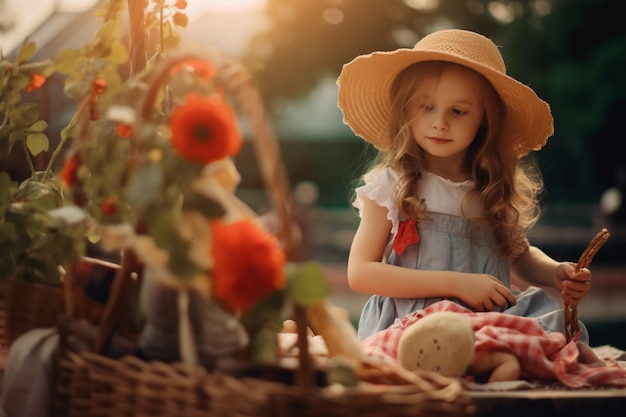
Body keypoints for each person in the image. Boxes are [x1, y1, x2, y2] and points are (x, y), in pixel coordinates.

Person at [337, 29, 593, 343]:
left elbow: (521, 258)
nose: (440, 122)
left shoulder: (490, 189)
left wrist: (554, 273)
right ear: (405, 109)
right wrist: (457, 284)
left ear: (485, 119)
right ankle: (496, 361)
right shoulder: (393, 185)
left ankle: (499, 359)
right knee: (456, 347)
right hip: (417, 326)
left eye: (458, 111)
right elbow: (361, 272)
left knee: (557, 331)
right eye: (426, 107)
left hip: (488, 321)